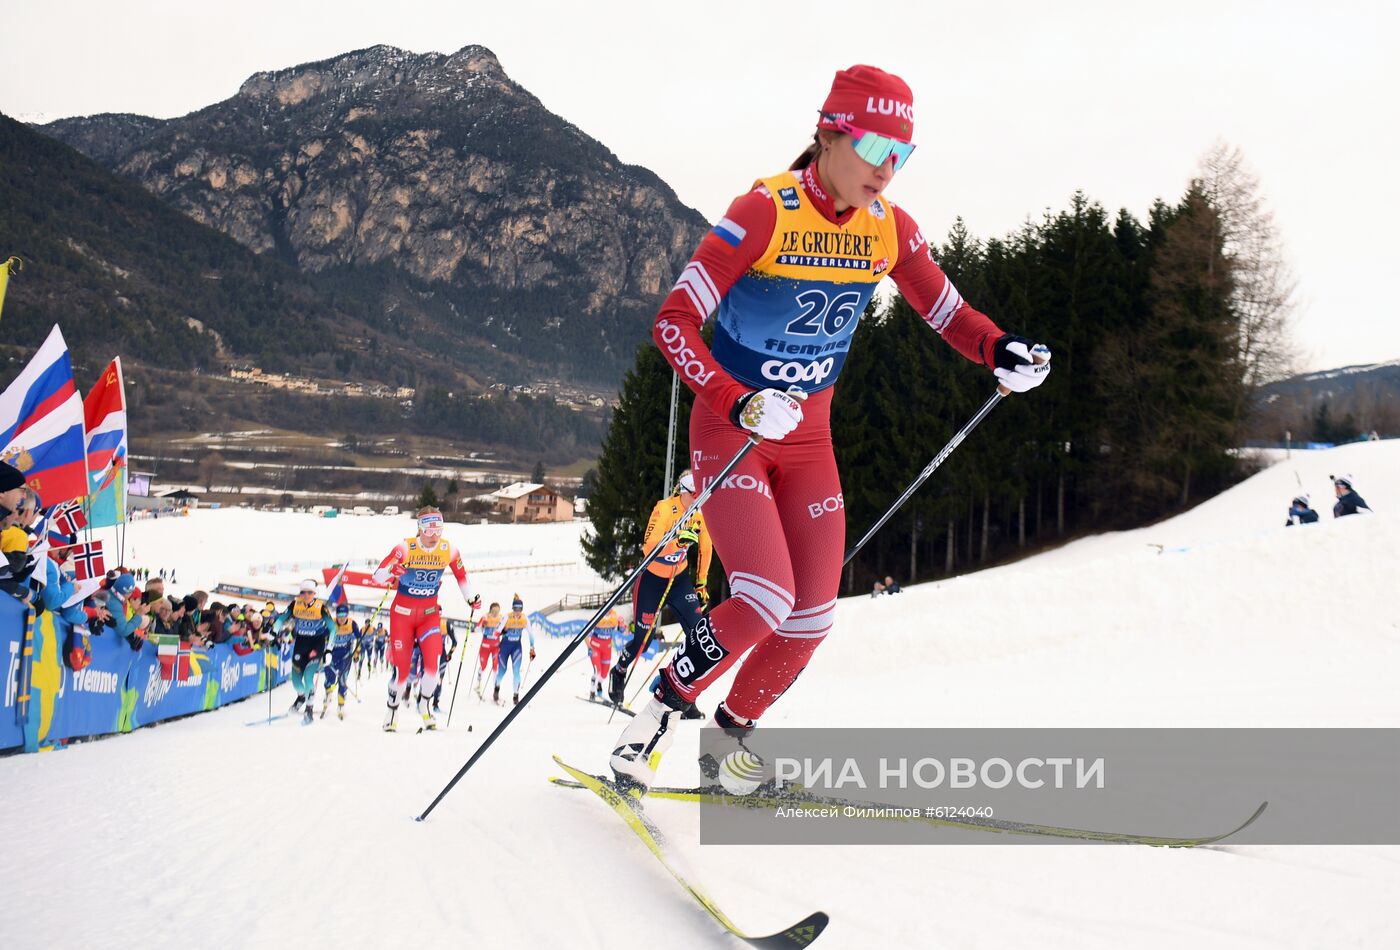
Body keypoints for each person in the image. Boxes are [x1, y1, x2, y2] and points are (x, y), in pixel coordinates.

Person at [609, 65, 1052, 789]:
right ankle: (657, 711)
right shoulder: (764, 211)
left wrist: (1000, 349)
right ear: (829, 135)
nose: (887, 168)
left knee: (811, 617)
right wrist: (738, 400)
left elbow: (949, 313)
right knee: (764, 596)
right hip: (733, 432)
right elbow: (674, 322)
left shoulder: (889, 229)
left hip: (810, 442)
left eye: (902, 154)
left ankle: (727, 752)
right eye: (875, 147)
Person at [607, 470, 710, 715]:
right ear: (683, 492)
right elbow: (649, 546)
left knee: (698, 634)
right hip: (652, 580)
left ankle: (683, 694)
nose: (698, 500)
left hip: (679, 580)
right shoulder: (664, 509)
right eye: (694, 494)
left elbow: (706, 549)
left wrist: (701, 583)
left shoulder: (699, 514)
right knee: (643, 640)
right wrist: (677, 542)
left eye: (701, 495)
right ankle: (619, 671)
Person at [371, 507, 480, 732]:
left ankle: (425, 704)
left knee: (432, 668)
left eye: (438, 529)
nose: (434, 535)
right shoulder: (405, 548)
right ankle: (392, 710)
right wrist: (392, 570)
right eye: (429, 530)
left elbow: (462, 577)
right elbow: (377, 576)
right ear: (419, 529)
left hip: (429, 615)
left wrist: (471, 598)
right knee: (402, 673)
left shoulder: (448, 550)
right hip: (402, 615)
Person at [272, 579, 334, 725]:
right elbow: (281, 619)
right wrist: (274, 631)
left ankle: (309, 709)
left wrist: (329, 650)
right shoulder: (295, 604)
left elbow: (333, 628)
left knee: (308, 676)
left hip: (316, 644)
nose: (306, 595)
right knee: (296, 681)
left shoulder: (321, 607)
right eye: (303, 592)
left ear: (314, 593)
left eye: (309, 592)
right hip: (300, 643)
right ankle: (301, 697)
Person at [494, 595, 535, 705]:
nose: (517, 612)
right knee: (502, 671)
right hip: (504, 647)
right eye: (515, 609)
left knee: (516, 671)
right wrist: (504, 631)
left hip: (516, 647)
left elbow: (531, 634)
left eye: (520, 609)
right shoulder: (506, 617)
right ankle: (496, 688)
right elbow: (496, 632)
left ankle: (515, 695)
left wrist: (532, 648)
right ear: (512, 608)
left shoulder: (524, 619)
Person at [322, 603, 359, 720]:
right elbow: (322, 637)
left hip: (345, 656)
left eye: (344, 615)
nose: (342, 618)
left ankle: (341, 705)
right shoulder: (331, 623)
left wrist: (357, 652)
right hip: (331, 656)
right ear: (336, 615)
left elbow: (359, 638)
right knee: (329, 680)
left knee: (342, 681)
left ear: (347, 615)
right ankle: (328, 693)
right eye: (339, 615)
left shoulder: (352, 624)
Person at [589, 607, 623, 700]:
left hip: (607, 649)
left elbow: (620, 632)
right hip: (595, 647)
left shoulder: (615, 616)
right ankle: (592, 692)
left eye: (610, 608)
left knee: (604, 674)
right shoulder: (597, 617)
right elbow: (586, 635)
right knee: (597, 671)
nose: (608, 610)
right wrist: (589, 647)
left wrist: (621, 626)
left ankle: (598, 683)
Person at [475, 603, 504, 696]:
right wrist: (483, 625)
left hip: (496, 646)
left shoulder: (501, 618)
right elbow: (476, 629)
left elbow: (505, 629)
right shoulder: (485, 617)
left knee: (495, 666)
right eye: (493, 611)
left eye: (497, 611)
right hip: (485, 646)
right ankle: (478, 683)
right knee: (483, 666)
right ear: (490, 610)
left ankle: (496, 690)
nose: (495, 613)